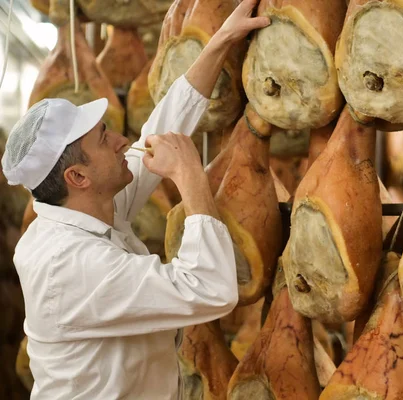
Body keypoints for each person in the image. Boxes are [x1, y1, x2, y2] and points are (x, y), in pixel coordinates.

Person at [0, 1, 270, 398]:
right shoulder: (71, 265)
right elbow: (211, 288)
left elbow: (153, 138)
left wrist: (221, 42)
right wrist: (190, 177)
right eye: (104, 139)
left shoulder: (82, 208)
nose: (121, 141)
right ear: (78, 177)